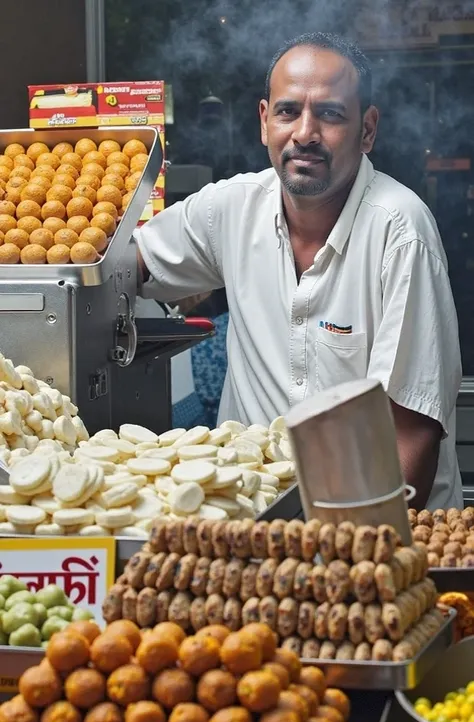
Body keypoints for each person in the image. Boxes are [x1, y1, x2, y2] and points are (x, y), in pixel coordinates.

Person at [135, 31, 462, 511]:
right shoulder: (230, 208)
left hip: (376, 535)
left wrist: (349, 555)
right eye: (288, 111)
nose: (305, 133)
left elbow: (411, 434)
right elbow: (120, 268)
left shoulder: (400, 231)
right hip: (255, 530)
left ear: (367, 130)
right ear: (265, 121)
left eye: (330, 114)